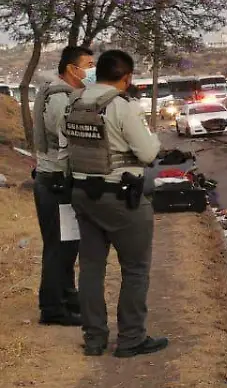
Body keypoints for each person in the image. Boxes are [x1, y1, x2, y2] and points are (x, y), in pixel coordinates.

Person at [65, 49, 169, 358]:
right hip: (121, 198)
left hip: (84, 195)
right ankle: (131, 338)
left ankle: (95, 339)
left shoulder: (75, 101)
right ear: (127, 77)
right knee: (135, 269)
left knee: (91, 270)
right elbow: (148, 154)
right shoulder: (124, 107)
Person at [31, 46, 94, 326]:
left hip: (57, 180)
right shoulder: (58, 97)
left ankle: (68, 297)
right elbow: (67, 137)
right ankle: (52, 309)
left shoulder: (62, 93)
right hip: (55, 181)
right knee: (58, 246)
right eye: (89, 65)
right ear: (72, 68)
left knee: (68, 244)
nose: (92, 70)